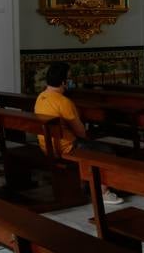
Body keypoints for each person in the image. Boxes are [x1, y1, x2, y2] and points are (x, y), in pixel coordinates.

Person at [34, 62, 124, 205]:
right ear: (63, 82)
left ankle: (89, 182)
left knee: (92, 146)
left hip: (46, 146)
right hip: (65, 147)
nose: (70, 80)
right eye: (69, 78)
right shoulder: (64, 102)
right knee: (106, 151)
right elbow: (80, 132)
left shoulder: (41, 97)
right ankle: (103, 192)